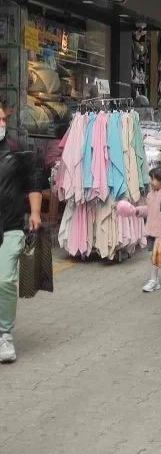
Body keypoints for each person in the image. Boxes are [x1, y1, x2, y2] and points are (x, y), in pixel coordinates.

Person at [0, 103, 45, 363]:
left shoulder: (16, 148)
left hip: (11, 225)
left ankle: (5, 334)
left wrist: (36, 213)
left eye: (2, 118)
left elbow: (33, 182)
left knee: (5, 280)